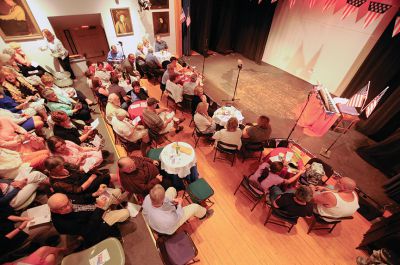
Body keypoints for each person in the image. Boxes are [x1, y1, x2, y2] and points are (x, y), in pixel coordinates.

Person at [48, 193, 128, 247]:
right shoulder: (63, 224)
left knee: (116, 192)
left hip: (94, 207)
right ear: (54, 211)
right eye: (63, 208)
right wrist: (99, 209)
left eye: (68, 203)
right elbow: (90, 229)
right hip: (96, 220)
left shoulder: (64, 199)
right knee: (125, 212)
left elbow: (81, 197)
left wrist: (95, 194)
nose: (69, 207)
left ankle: (111, 208)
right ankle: (113, 221)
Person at [142, 184, 213, 235]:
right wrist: (179, 204)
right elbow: (178, 215)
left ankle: (173, 195)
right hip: (168, 227)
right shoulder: (168, 218)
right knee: (195, 207)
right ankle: (204, 215)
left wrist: (172, 200)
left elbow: (163, 201)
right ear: (162, 200)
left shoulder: (148, 198)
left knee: (171, 189)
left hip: (153, 220)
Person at [44, 156, 109, 197]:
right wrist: (91, 179)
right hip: (82, 189)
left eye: (62, 165)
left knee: (101, 175)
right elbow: (78, 190)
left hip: (82, 179)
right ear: (53, 170)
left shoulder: (63, 165)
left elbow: (77, 168)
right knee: (107, 177)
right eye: (60, 167)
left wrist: (89, 167)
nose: (63, 166)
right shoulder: (57, 183)